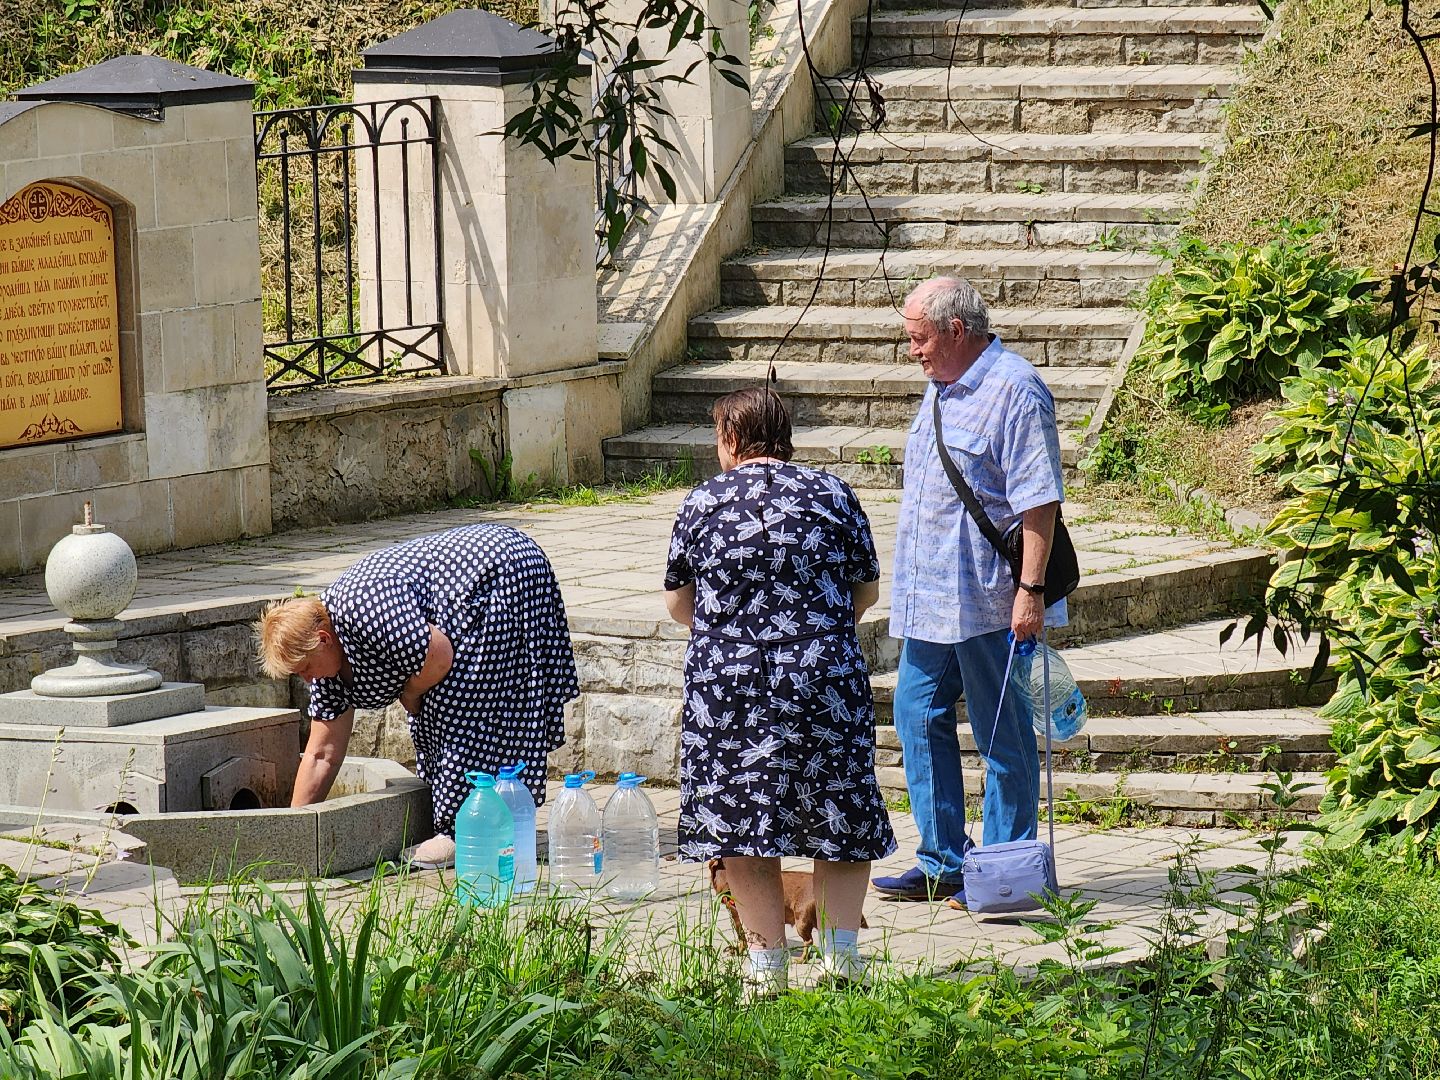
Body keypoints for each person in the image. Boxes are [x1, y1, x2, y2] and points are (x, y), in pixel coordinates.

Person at [663, 386, 896, 994]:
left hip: (731, 687)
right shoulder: (834, 494)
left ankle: (766, 970)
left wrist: (735, 626)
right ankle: (843, 964)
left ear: (732, 439)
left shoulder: (701, 503)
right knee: (839, 812)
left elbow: (678, 603)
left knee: (744, 821)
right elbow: (865, 593)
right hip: (826, 678)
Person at [872, 276, 1066, 902]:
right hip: (929, 599)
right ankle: (942, 861)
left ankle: (1006, 873)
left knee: (1001, 734)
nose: (913, 351)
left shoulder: (1015, 389)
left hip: (988, 598)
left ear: (958, 331)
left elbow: (1039, 501)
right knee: (916, 713)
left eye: (919, 338)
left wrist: (1030, 590)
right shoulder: (940, 389)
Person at [255, 523, 579, 869]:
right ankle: (501, 825)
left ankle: (459, 834)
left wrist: (411, 692)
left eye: (304, 667)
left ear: (322, 639)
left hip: (499, 572)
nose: (306, 679)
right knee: (444, 703)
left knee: (459, 700)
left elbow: (439, 655)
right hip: (492, 575)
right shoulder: (326, 668)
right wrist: (293, 832)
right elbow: (322, 754)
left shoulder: (362, 609)